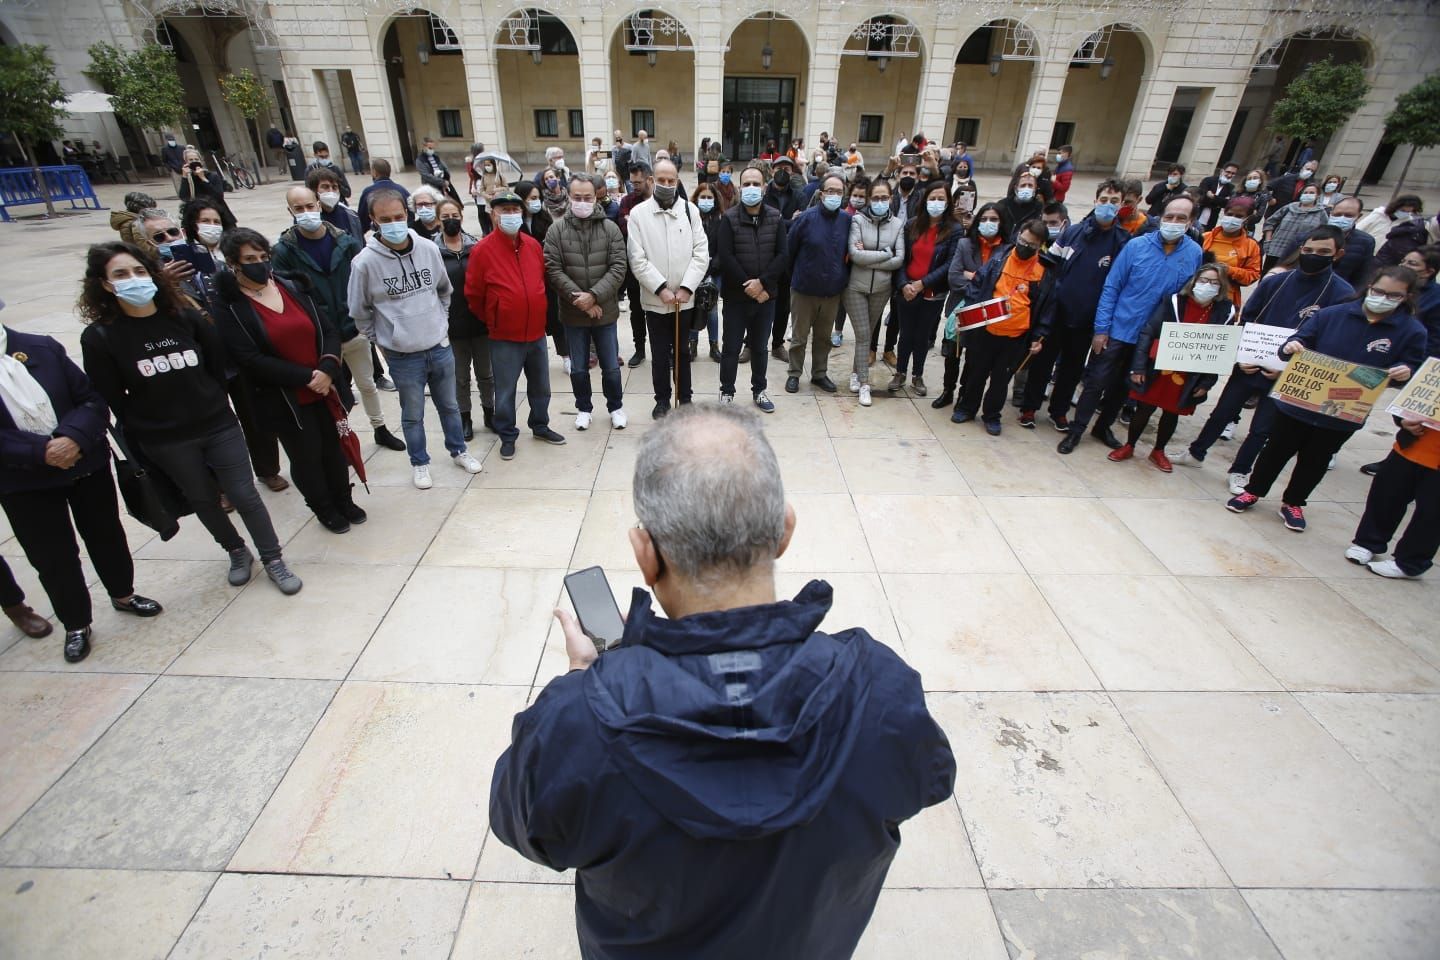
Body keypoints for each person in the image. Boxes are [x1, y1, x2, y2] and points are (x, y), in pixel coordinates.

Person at [489, 403, 956, 960]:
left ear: (645, 554)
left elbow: (525, 826)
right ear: (784, 530)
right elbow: (926, 781)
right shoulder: (880, 692)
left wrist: (583, 683)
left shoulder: (577, 724)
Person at [79, 242, 302, 595]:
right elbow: (111, 397)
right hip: (166, 440)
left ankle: (273, 557)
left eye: (139, 271)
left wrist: (208, 402)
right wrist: (152, 424)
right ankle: (235, 550)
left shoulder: (185, 317)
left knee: (244, 495)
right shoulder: (100, 337)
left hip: (217, 424)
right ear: (105, 285)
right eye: (120, 274)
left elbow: (216, 367)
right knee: (202, 500)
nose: (133, 280)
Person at [0, 313, 162, 662]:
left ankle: (123, 594)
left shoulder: (39, 347)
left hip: (84, 464)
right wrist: (40, 451)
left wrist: (71, 438)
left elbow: (90, 399)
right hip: (23, 481)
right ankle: (76, 623)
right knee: (53, 556)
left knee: (106, 534)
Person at [1228, 267, 1427, 531]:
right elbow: (1296, 342)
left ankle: (1294, 502)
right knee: (1275, 450)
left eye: (1393, 295)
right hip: (1299, 402)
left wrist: (1405, 371)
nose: (1382, 298)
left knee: (1316, 460)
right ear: (1369, 287)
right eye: (1378, 291)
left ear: (1407, 297)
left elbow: (1412, 368)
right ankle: (1253, 490)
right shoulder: (1333, 314)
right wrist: (1292, 345)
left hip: (1344, 411)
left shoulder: (1411, 331)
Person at [1173, 227, 1355, 488]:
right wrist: (1241, 355)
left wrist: (1289, 369)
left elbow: (1331, 341)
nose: (1314, 256)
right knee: (1222, 413)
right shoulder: (1276, 282)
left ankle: (1240, 470)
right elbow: (1247, 319)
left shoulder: (1341, 294)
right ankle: (1195, 452)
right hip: (1249, 364)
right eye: (1309, 250)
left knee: (1262, 428)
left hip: (1288, 373)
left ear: (1338, 255)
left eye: (1323, 252)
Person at [212, 230, 366, 533]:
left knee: (334, 449)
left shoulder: (291, 286)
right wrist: (308, 378)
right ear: (233, 264)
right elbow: (250, 359)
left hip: (325, 389)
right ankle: (323, 507)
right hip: (286, 398)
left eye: (262, 257)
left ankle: (343, 498)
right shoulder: (229, 306)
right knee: (307, 456)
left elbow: (328, 331)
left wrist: (327, 369)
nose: (259, 264)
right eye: (250, 260)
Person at [348, 189, 483, 488]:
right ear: (373, 221)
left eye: (398, 217)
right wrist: (385, 339)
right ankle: (420, 463)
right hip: (402, 355)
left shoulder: (427, 248)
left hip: (438, 346)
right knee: (413, 414)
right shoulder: (364, 263)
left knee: (449, 405)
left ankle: (459, 449)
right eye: (385, 219)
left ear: (406, 215)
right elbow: (359, 312)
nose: (394, 224)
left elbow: (443, 290)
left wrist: (439, 323)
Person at [1059, 194, 1203, 455]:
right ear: (1160, 218)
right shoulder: (1136, 246)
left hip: (1154, 338)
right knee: (1096, 383)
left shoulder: (1194, 254)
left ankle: (1102, 427)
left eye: (1181, 218)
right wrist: (1102, 329)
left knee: (1126, 388)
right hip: (1120, 329)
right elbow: (1111, 287)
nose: (1173, 222)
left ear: (1191, 221)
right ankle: (1077, 429)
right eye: (1169, 216)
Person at [272, 186, 406, 453]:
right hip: (318, 338)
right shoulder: (285, 250)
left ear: (319, 205)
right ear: (290, 212)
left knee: (367, 383)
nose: (306, 212)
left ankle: (380, 428)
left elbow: (367, 283)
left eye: (310, 206)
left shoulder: (345, 242)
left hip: (351, 327)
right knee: (334, 392)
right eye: (299, 209)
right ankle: (342, 437)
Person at [1019, 181, 1130, 429]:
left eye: (1114, 201)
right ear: (1095, 201)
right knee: (1042, 363)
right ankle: (1029, 407)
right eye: (1103, 200)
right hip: (1056, 313)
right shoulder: (1073, 233)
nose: (1107, 206)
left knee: (1072, 367)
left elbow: (1121, 285)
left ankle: (1059, 411)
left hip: (1088, 319)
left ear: (1122, 205)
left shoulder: (1123, 242)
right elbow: (1050, 269)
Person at [465, 189, 567, 459]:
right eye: (504, 210)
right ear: (493, 214)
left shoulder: (532, 245)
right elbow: (473, 294)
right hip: (504, 336)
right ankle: (507, 433)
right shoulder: (482, 250)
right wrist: (495, 317)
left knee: (541, 385)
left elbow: (541, 283)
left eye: (515, 210)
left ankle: (540, 424)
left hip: (535, 332)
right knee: (506, 389)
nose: (511, 215)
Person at [1109, 264, 1233, 471]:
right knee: (1144, 408)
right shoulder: (1174, 302)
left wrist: (1207, 382)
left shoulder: (1225, 312)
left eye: (1214, 282)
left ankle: (1158, 450)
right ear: (1194, 281)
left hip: (1189, 375)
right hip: (1158, 369)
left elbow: (1219, 350)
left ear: (1221, 287)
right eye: (1203, 280)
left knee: (1172, 412)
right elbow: (1148, 332)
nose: (1207, 286)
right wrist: (1138, 368)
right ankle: (1129, 445)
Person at [949, 218, 1054, 434]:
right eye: (1023, 241)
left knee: (1000, 380)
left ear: (1040, 245)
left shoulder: (1043, 272)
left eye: (1031, 245)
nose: (1025, 246)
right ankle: (967, 408)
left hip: (1015, 338)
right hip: (986, 331)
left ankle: (992, 416)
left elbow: (1046, 309)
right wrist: (968, 314)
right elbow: (976, 287)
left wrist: (1039, 337)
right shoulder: (1000, 258)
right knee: (976, 373)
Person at [544, 174, 630, 431]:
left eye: (588, 197)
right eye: (577, 197)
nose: (583, 202)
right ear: (569, 197)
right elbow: (553, 269)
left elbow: (618, 267)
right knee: (579, 368)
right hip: (573, 314)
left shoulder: (610, 229)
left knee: (611, 366)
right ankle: (583, 408)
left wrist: (593, 296)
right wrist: (579, 300)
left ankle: (615, 406)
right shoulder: (556, 230)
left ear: (597, 197)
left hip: (604, 311)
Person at [626, 158, 709, 419]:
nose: (665, 184)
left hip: (684, 299)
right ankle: (662, 399)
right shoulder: (639, 214)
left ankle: (685, 399)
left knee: (682, 351)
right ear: (652, 181)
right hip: (655, 299)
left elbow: (701, 253)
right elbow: (637, 258)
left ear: (677, 182)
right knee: (660, 353)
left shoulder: (690, 210)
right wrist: (660, 288)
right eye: (660, 180)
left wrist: (686, 288)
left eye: (670, 180)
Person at [716, 164, 787, 413]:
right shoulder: (729, 218)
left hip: (766, 298)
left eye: (756, 184)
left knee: (759, 347)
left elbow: (782, 255)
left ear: (765, 187)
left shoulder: (776, 218)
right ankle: (726, 391)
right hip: (737, 297)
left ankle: (759, 390)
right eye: (746, 184)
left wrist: (764, 284)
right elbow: (725, 255)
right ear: (739, 187)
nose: (751, 188)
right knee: (731, 348)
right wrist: (749, 284)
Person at [1346, 413, 1440, 579]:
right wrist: (1402, 420)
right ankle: (1368, 542)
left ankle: (1410, 563)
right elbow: (1409, 397)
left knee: (1431, 512)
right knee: (1387, 494)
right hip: (1409, 447)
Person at [934, 202, 1007, 408]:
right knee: (952, 353)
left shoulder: (1006, 250)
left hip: (986, 313)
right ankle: (948, 390)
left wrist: (972, 276)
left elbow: (1002, 284)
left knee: (974, 357)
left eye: (993, 219)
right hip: (959, 307)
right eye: (983, 219)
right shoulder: (965, 244)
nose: (988, 223)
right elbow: (955, 277)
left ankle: (964, 395)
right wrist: (983, 281)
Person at [784, 173, 851, 395]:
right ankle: (794, 374)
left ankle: (819, 374)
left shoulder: (847, 220)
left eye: (838, 192)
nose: (834, 195)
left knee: (823, 338)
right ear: (821, 194)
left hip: (832, 292)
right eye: (830, 191)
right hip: (804, 290)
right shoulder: (805, 218)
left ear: (843, 195)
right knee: (799, 337)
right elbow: (789, 251)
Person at [888, 181, 957, 397]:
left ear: (948, 202)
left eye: (941, 199)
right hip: (907, 290)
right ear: (925, 200)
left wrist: (922, 284)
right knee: (905, 333)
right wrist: (904, 284)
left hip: (932, 293)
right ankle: (900, 372)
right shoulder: (912, 225)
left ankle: (917, 375)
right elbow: (901, 258)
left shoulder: (954, 229)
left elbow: (949, 264)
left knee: (922, 336)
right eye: (932, 198)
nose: (936, 203)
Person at [435, 196, 493, 440]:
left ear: (462, 215)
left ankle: (490, 413)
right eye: (445, 217)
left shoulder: (476, 247)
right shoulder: (432, 251)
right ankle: (465, 417)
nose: (451, 221)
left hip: (479, 323)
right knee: (460, 377)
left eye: (455, 216)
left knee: (486, 374)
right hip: (451, 326)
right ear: (438, 221)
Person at [843, 178, 904, 408]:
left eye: (884, 198)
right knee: (863, 335)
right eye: (876, 198)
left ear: (891, 199)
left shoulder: (898, 225)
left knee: (865, 335)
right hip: (855, 287)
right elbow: (855, 255)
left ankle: (855, 373)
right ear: (869, 199)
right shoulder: (857, 220)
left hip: (881, 288)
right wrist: (884, 253)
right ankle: (865, 383)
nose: (880, 202)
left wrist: (870, 255)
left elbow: (899, 259)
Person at [764, 155, 807, 362]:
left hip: (788, 259)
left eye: (788, 169)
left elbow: (801, 225)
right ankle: (750, 342)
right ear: (772, 170)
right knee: (757, 303)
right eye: (779, 167)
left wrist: (780, 221)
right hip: (763, 257)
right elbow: (761, 224)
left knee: (783, 306)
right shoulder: (763, 194)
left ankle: (777, 344)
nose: (783, 171)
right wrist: (789, 221)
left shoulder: (799, 195)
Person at [619, 161, 654, 367]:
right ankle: (639, 349)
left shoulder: (661, 200)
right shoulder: (627, 200)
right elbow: (624, 228)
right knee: (637, 311)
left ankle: (664, 350)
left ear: (649, 179)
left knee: (658, 313)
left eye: (638, 182)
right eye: (632, 182)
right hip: (634, 269)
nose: (634, 186)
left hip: (658, 268)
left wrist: (635, 221)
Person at [1202, 196, 1262, 307]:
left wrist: (1229, 270)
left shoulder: (1251, 246)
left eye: (1239, 216)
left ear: (1247, 219)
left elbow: (1253, 275)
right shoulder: (1204, 238)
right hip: (1198, 294)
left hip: (1226, 299)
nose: (1232, 218)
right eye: (1229, 214)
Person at [687, 181, 724, 362]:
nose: (707, 200)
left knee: (711, 309)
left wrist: (711, 266)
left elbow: (723, 249)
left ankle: (714, 345)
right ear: (696, 198)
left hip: (714, 272)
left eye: (710, 197)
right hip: (693, 271)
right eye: (703, 197)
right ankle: (692, 344)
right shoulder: (689, 218)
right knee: (694, 307)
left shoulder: (721, 220)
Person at [1263, 180, 1328, 272]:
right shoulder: (1290, 207)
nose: (1308, 194)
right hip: (1276, 249)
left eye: (1311, 193)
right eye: (1306, 192)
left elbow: (1323, 233)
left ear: (1317, 195)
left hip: (1297, 255)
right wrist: (1268, 240)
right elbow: (1270, 222)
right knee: (1267, 276)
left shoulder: (1321, 213)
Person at [176, 147, 235, 227]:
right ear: (186, 162)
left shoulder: (212, 176)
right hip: (198, 215)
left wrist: (203, 179)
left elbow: (218, 196)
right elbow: (184, 196)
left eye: (196, 159)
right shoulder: (188, 178)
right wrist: (185, 177)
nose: (194, 162)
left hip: (218, 213)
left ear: (201, 161)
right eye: (191, 160)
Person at [307, 166, 364, 243]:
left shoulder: (351, 216)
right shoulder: (308, 218)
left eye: (334, 187)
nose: (331, 191)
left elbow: (360, 244)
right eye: (325, 187)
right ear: (314, 190)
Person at [1328, 195, 1375, 287]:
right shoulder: (1310, 235)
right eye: (1338, 214)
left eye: (1348, 215)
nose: (1342, 218)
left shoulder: (1366, 242)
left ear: (1358, 216)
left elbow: (1362, 275)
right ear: (1331, 213)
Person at [357, 158, 410, 231]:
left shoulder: (368, 192)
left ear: (374, 172)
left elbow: (362, 219)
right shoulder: (401, 189)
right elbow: (411, 214)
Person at [1356, 195, 1422, 246]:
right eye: (1402, 210)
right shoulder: (1378, 214)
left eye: (1408, 212)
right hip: (1365, 248)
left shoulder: (1407, 222)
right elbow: (1359, 229)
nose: (1405, 214)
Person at [995, 172, 1043, 241]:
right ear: (1016, 188)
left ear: (1035, 188)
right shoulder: (1003, 205)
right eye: (1023, 185)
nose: (1026, 188)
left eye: (1030, 186)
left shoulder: (1039, 208)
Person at [416, 136, 462, 205]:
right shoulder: (420, 160)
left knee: (454, 202)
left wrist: (446, 178)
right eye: (430, 148)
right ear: (424, 147)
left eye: (433, 148)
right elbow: (426, 175)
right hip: (432, 187)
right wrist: (442, 182)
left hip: (443, 185)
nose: (432, 150)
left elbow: (445, 167)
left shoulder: (436, 157)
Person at [1196, 161, 1240, 229]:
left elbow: (1227, 203)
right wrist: (1220, 201)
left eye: (1233, 173)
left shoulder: (1231, 188)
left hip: (1212, 219)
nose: (1229, 175)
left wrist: (1213, 197)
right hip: (1199, 214)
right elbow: (1201, 197)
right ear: (1222, 171)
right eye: (1228, 172)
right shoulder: (1208, 180)